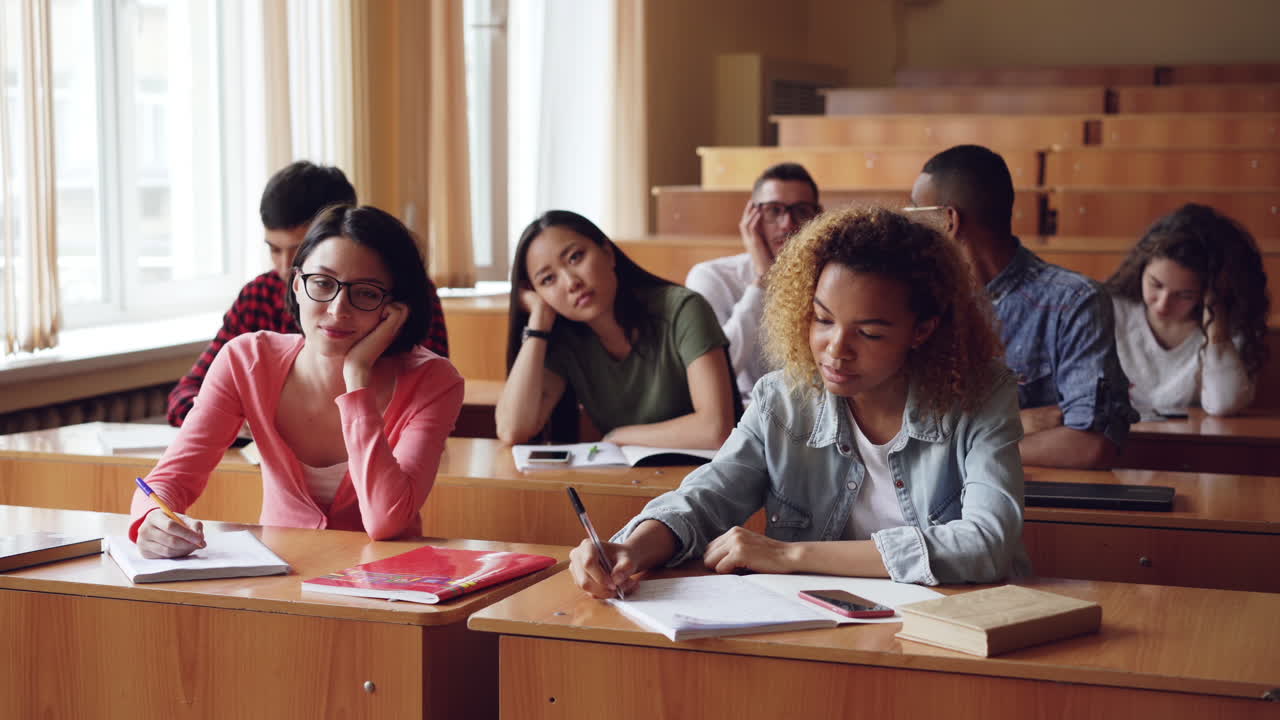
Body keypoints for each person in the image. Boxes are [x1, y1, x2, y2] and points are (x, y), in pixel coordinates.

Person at [569, 207, 1030, 597]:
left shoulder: (980, 396)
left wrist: (790, 555)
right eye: (822, 320)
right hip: (814, 621)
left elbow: (986, 544)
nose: (835, 348)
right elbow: (706, 497)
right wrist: (632, 548)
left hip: (944, 627)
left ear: (923, 330)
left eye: (869, 332)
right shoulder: (782, 399)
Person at [132, 205, 464, 558]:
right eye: (322, 283)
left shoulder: (434, 381)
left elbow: (386, 521)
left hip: (384, 589)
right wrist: (153, 518)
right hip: (276, 577)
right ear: (297, 285)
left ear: (396, 307)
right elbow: (170, 479)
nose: (338, 309)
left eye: (366, 292)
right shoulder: (247, 360)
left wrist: (357, 379)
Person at [167, 160, 450, 426]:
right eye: (275, 249)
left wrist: (358, 371)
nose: (285, 266)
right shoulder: (260, 294)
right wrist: (239, 416)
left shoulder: (404, 295)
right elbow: (185, 396)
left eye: (300, 249)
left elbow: (429, 403)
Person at [910, 144, 1136, 469]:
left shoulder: (1073, 302)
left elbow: (1090, 445)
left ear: (949, 220)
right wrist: (1023, 423)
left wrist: (955, 449)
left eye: (917, 213)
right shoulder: (914, 300)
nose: (910, 228)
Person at [495, 210, 738, 449]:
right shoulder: (567, 341)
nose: (571, 282)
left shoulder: (682, 309)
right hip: (633, 483)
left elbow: (715, 430)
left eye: (575, 257)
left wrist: (620, 436)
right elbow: (512, 430)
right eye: (548, 280)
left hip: (715, 479)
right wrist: (538, 323)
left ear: (608, 253)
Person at [1105, 203, 1271, 416]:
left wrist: (1216, 322)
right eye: (1155, 284)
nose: (1162, 304)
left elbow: (1224, 403)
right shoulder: (1113, 309)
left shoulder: (1230, 331)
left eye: (1185, 295)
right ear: (1141, 267)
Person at [685, 162, 822, 403]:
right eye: (773, 210)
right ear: (751, 216)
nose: (787, 224)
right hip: (741, 416)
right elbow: (720, 372)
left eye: (801, 211)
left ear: (817, 217)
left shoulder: (832, 280)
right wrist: (762, 281)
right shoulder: (712, 277)